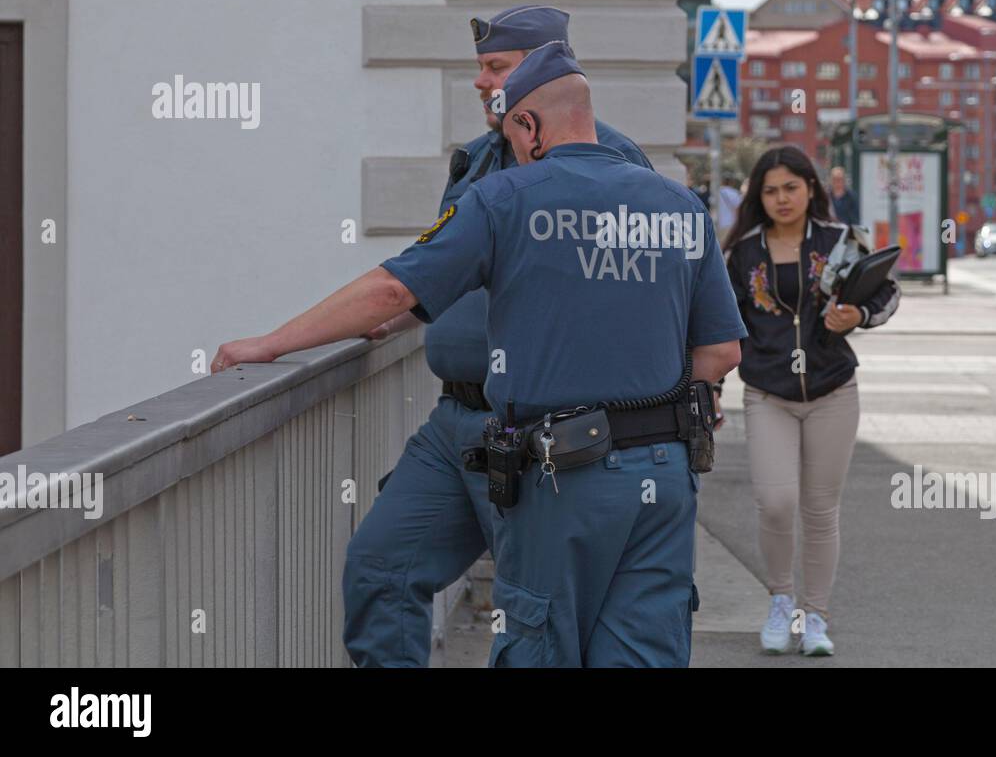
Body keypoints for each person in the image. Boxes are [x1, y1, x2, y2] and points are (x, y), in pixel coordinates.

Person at [213, 42, 744, 668]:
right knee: (640, 649)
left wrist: (271, 342)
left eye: (514, 131)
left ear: (528, 124)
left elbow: (392, 289)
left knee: (539, 641)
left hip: (561, 472)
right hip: (664, 470)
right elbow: (720, 350)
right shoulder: (678, 204)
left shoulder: (507, 197)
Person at [723, 146, 899, 657]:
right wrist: (709, 388)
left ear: (810, 189)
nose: (781, 199)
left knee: (821, 509)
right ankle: (781, 602)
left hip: (832, 390)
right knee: (776, 502)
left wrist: (858, 316)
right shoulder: (743, 253)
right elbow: (724, 326)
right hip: (767, 393)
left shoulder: (841, 241)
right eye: (771, 190)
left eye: (791, 188)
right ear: (759, 195)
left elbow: (886, 293)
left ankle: (816, 616)